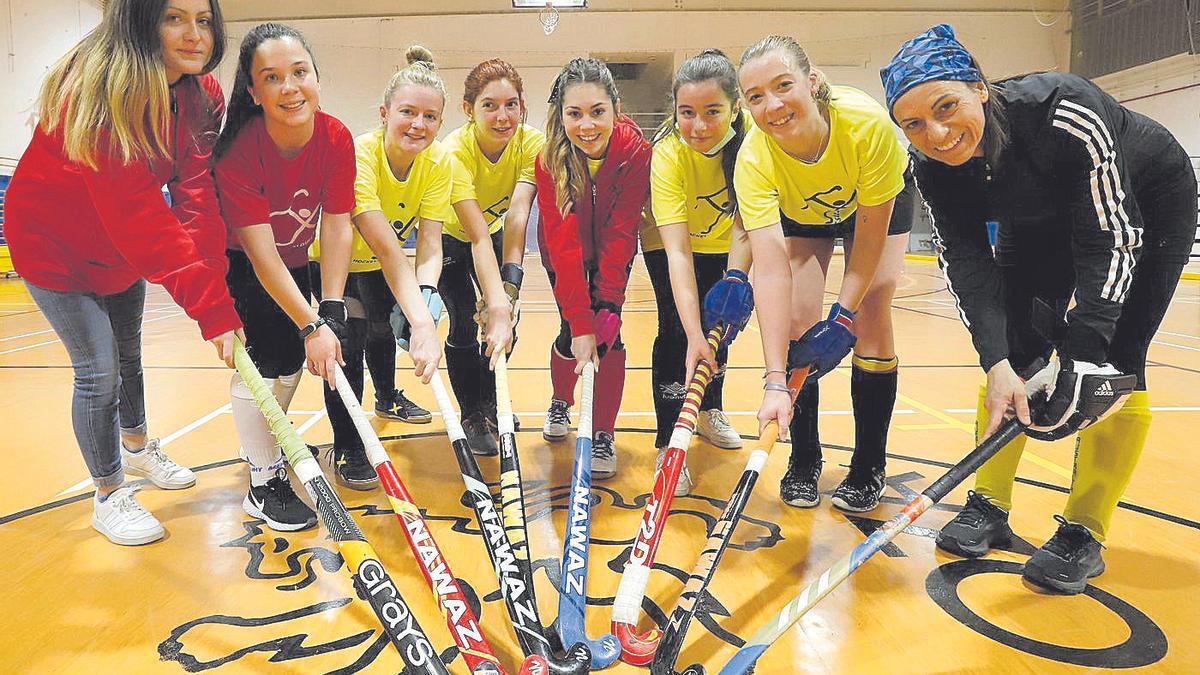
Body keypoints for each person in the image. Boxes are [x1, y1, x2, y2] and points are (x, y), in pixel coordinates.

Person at [883, 24, 1197, 594]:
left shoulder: (1063, 109)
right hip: (1036, 221)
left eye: (946, 105)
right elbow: (968, 266)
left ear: (980, 86)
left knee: (1118, 366)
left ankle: (1084, 531)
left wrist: (1085, 351)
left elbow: (1110, 235)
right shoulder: (930, 167)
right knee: (1019, 352)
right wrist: (996, 361)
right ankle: (988, 503)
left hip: (1146, 206)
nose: (938, 133)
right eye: (914, 124)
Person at [5, 0, 240, 546]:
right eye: (173, 17)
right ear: (140, 20)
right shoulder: (98, 89)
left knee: (130, 351)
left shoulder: (201, 95)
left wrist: (217, 288)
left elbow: (195, 194)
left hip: (115, 249)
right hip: (53, 248)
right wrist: (209, 312)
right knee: (99, 368)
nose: (193, 34)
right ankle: (108, 492)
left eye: (203, 20)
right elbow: (140, 216)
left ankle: (136, 452)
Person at [737, 35, 914, 512]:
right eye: (755, 97)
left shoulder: (866, 126)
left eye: (783, 85)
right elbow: (770, 271)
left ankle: (869, 464)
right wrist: (776, 379)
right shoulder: (754, 157)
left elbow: (870, 238)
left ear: (811, 82)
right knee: (797, 321)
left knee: (872, 311)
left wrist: (843, 315)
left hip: (872, 207)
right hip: (804, 213)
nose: (772, 105)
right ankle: (805, 457)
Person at [214, 23, 357, 530]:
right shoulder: (240, 149)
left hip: (295, 259)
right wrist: (311, 323)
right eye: (272, 78)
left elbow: (337, 224)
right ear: (253, 92)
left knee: (292, 359)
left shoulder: (336, 136)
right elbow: (259, 253)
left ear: (317, 77)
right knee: (263, 363)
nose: (290, 87)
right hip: (243, 265)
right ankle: (262, 480)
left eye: (300, 72)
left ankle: (266, 443)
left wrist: (332, 305)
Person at [314, 45, 457, 480]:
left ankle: (388, 397)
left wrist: (427, 296)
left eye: (430, 117)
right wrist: (422, 324)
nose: (418, 124)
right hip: (334, 265)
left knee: (379, 333)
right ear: (384, 112)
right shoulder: (360, 156)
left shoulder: (438, 163)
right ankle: (348, 446)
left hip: (377, 265)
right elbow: (387, 247)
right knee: (347, 346)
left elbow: (429, 242)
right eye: (408, 112)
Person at [644, 49, 753, 496]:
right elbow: (677, 255)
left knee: (721, 326)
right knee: (676, 330)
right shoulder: (667, 155)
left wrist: (736, 280)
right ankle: (668, 443)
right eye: (687, 112)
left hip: (727, 245)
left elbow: (749, 226)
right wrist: (693, 334)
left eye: (713, 112)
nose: (700, 126)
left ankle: (710, 410)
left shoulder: (752, 145)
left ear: (735, 108)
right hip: (671, 246)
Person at [535, 57, 651, 479]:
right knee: (572, 333)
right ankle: (560, 401)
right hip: (563, 256)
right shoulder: (549, 158)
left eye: (597, 112)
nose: (586, 125)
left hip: (612, 256)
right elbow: (562, 246)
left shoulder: (636, 151)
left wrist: (608, 305)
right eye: (574, 113)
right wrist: (582, 322)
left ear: (615, 109)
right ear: (560, 113)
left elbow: (623, 232)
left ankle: (603, 432)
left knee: (610, 339)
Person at [438, 57, 541, 455]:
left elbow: (517, 213)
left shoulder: (530, 142)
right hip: (453, 239)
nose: (503, 116)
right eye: (489, 105)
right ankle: (472, 412)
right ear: (468, 109)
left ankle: (490, 399)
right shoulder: (454, 151)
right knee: (466, 318)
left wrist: (509, 288)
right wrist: (494, 298)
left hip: (495, 234)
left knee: (506, 316)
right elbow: (474, 233)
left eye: (511, 104)